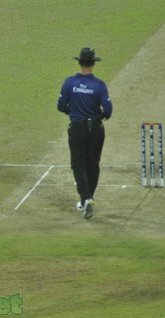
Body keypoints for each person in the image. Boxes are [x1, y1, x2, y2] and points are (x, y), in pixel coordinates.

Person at [57, 47, 113, 219]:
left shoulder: (69, 83)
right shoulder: (99, 85)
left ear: (80, 62)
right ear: (93, 64)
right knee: (92, 164)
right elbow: (108, 110)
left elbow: (60, 106)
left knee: (78, 165)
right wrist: (99, 116)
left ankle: (85, 199)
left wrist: (71, 111)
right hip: (96, 128)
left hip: (77, 128)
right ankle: (89, 198)